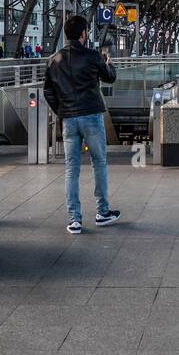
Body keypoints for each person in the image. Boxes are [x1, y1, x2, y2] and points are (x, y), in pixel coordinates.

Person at [44, 15, 120, 234]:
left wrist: (61, 109)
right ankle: (102, 212)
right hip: (91, 116)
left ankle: (74, 220)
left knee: (71, 169)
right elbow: (109, 78)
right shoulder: (93, 56)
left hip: (68, 119)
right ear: (83, 34)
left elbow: (48, 90)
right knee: (99, 163)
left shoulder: (54, 59)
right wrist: (109, 64)